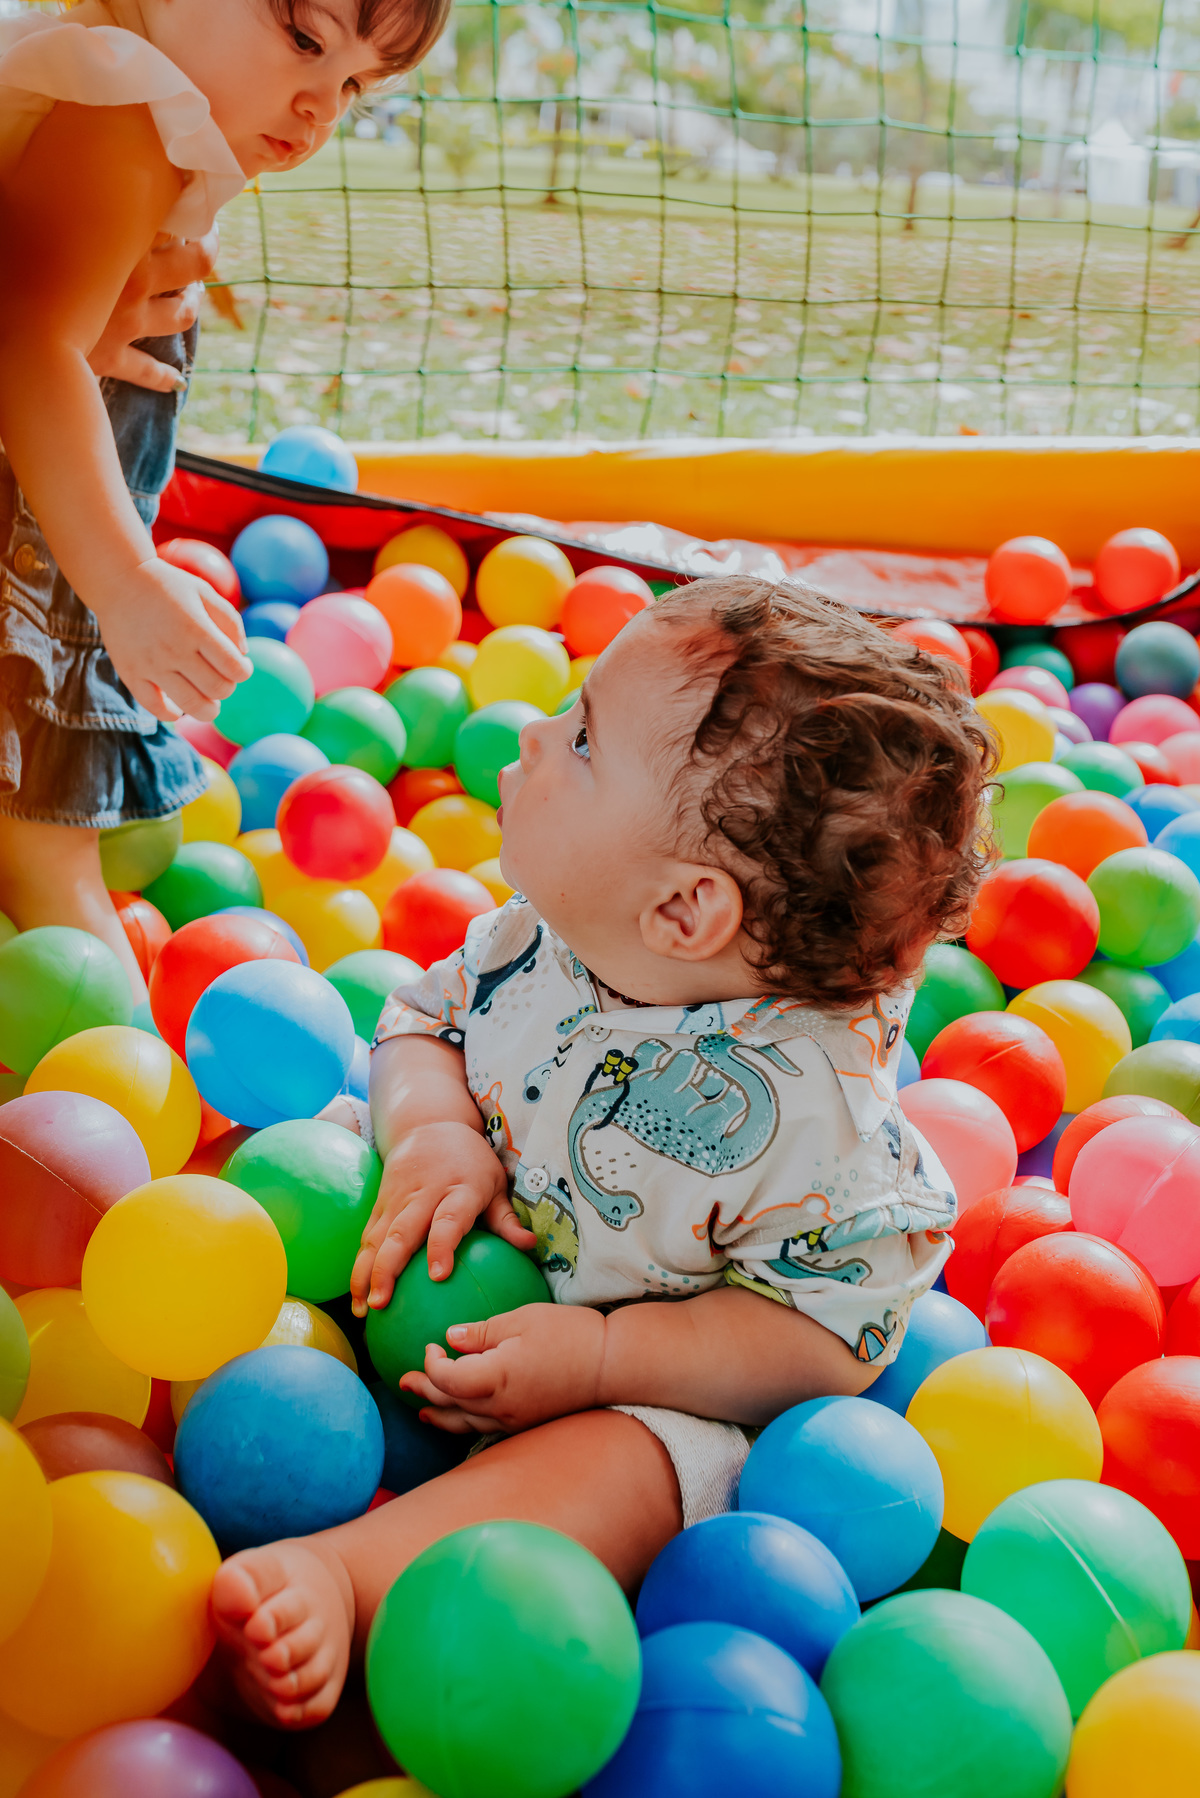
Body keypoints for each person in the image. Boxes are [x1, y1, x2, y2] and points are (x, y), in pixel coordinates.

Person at [211, 574, 994, 1729]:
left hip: (619, 1379)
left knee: (630, 1471)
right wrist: (436, 1136)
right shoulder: (550, 939)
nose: (534, 732)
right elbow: (421, 1022)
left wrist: (603, 1359)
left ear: (683, 914)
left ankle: (355, 1573)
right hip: (438, 1261)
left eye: (579, 738)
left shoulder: (813, 1125)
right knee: (301, 1159)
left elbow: (829, 1333)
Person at [0, 0, 449, 997]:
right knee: (47, 848)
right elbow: (30, 352)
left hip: (49, 543)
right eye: (305, 39)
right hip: (40, 571)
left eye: (355, 83)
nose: (321, 105)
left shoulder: (119, 99)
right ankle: (108, 1111)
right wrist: (127, 585)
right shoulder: (124, 108)